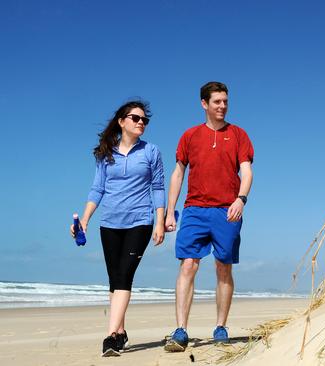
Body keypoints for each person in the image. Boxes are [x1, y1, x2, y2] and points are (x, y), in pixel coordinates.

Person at [70, 100, 166, 357]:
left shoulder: (151, 152)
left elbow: (158, 188)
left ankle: (111, 336)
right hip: (110, 223)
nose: (141, 123)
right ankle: (121, 331)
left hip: (140, 222)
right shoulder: (106, 153)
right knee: (114, 279)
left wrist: (159, 221)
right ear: (122, 121)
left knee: (125, 274)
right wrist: (85, 220)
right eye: (136, 118)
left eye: (145, 120)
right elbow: (97, 189)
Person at [163, 81, 253, 351]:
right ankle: (180, 330)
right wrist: (170, 211)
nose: (222, 106)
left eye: (225, 101)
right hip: (194, 209)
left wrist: (241, 199)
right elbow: (178, 173)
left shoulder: (238, 134)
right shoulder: (189, 136)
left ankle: (221, 327)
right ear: (204, 104)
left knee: (223, 267)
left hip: (228, 210)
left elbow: (246, 171)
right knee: (188, 264)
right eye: (217, 102)